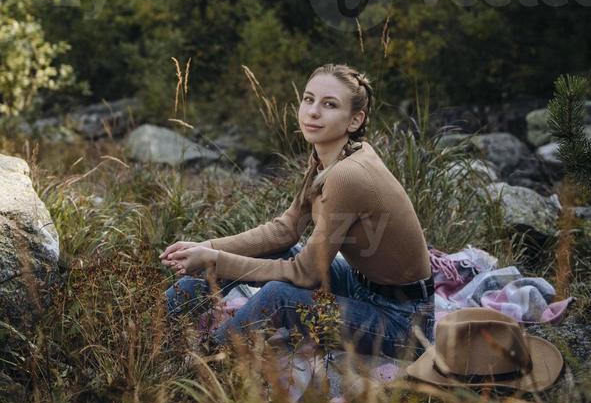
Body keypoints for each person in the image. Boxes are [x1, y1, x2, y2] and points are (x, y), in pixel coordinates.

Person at [161, 63, 435, 359]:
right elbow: (286, 230)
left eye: (329, 104)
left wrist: (215, 261)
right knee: (281, 250)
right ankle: (154, 320)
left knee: (281, 296)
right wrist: (207, 248)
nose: (313, 111)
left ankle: (206, 362)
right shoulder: (330, 155)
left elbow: (306, 275)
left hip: (404, 322)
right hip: (360, 284)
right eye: (308, 99)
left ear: (355, 121)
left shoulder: (348, 175)